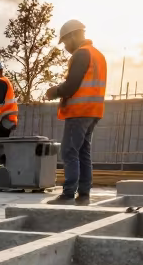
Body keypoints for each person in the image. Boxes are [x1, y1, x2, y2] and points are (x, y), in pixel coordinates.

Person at [44, 20, 107, 205]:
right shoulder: (98, 55)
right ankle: (84, 193)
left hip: (79, 111)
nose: (65, 47)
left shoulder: (81, 54)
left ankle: (68, 193)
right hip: (93, 111)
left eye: (64, 42)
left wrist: (54, 91)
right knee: (83, 152)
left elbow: (71, 86)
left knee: (69, 151)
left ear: (72, 35)